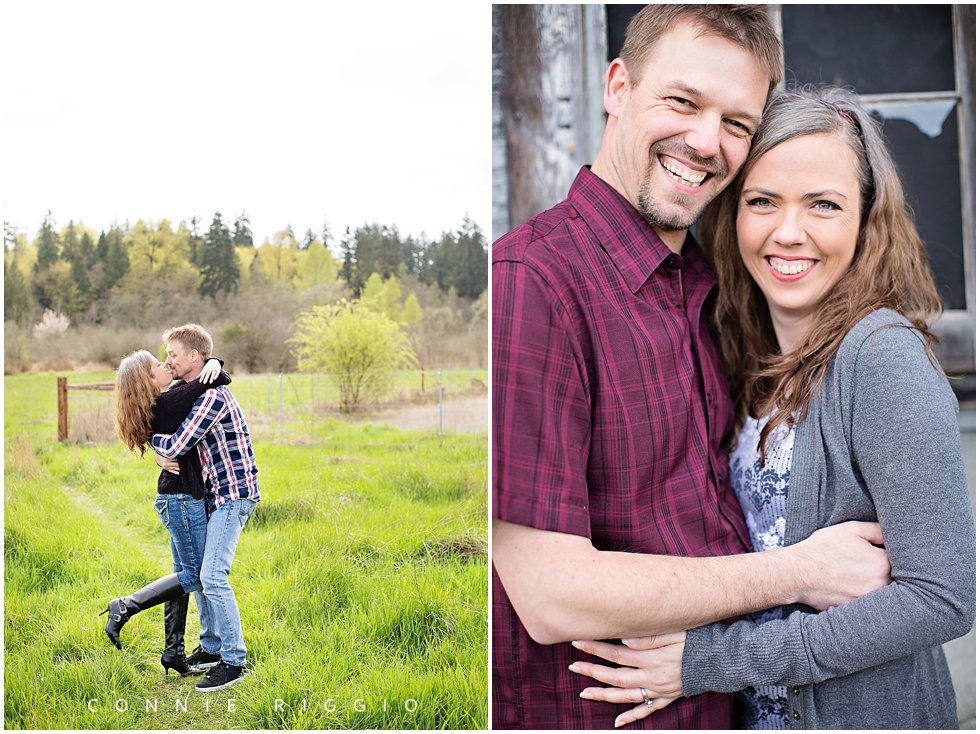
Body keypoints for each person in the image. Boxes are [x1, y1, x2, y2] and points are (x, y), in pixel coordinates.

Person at [492, 6, 893, 729]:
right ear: (618, 87)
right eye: (682, 101)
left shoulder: (710, 282)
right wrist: (803, 570)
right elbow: (551, 595)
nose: (705, 141)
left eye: (737, 123)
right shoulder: (534, 283)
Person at [570, 86, 976, 729]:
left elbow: (942, 598)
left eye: (823, 204)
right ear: (732, 214)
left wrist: (712, 660)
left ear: (866, 219)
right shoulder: (743, 357)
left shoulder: (881, 359)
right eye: (763, 201)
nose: (789, 232)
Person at [151, 323, 261, 693]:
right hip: (215, 496)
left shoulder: (212, 398)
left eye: (173, 354)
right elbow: (167, 419)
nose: (168, 359)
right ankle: (212, 648)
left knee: (212, 576)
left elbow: (178, 443)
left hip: (234, 494)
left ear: (194, 357)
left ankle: (235, 660)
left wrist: (155, 444)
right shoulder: (195, 389)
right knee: (199, 572)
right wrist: (157, 450)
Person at [106, 349, 227, 677]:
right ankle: (125, 606)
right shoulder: (169, 403)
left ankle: (173, 651)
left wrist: (213, 363)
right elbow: (216, 379)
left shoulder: (160, 404)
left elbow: (199, 382)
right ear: (148, 381)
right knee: (194, 576)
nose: (165, 365)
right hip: (182, 499)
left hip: (174, 498)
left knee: (181, 575)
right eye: (157, 365)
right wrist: (215, 363)